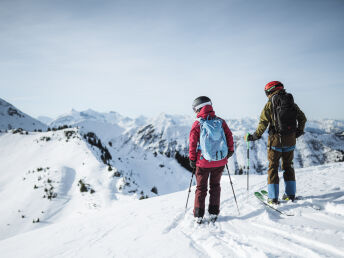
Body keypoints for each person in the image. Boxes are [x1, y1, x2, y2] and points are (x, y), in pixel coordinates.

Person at [245, 81, 307, 204]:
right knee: (288, 166)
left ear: (270, 91)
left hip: (275, 142)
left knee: (273, 167)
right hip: (290, 140)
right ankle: (290, 194)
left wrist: (254, 136)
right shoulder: (291, 102)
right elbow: (302, 118)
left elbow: (263, 123)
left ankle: (273, 197)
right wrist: (298, 132)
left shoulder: (270, 104)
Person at [189, 96, 234, 222]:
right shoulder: (220, 121)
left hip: (203, 162)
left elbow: (192, 143)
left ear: (199, 108)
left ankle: (198, 214)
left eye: (195, 109)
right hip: (219, 161)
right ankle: (214, 213)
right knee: (215, 186)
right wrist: (229, 151)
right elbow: (229, 136)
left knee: (201, 188)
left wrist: (192, 159)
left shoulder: (198, 124)